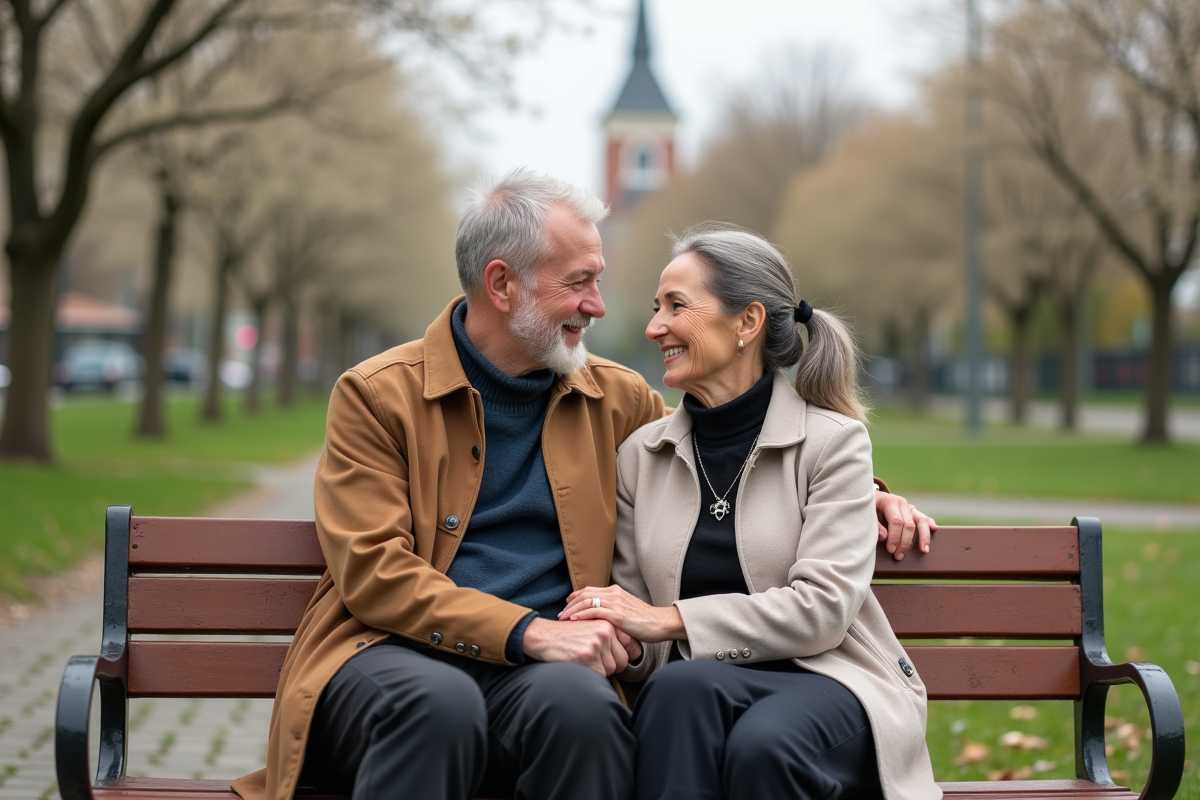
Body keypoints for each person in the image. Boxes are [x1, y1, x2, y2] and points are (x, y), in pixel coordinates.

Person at [231, 171, 934, 800]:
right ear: (502, 285)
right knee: (439, 708)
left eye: (598, 280)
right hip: (393, 653)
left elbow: (733, 445)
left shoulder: (614, 397)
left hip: (550, 669)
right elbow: (374, 573)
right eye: (579, 282)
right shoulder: (378, 395)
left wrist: (865, 491)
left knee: (585, 710)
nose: (599, 305)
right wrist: (528, 632)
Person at [561, 226, 941, 800]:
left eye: (676, 306)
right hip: (702, 685)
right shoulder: (641, 456)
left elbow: (822, 613)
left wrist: (668, 620)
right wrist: (629, 641)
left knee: (761, 744)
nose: (654, 326)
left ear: (748, 322)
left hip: (834, 679)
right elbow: (651, 647)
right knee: (674, 689)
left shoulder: (833, 443)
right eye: (656, 307)